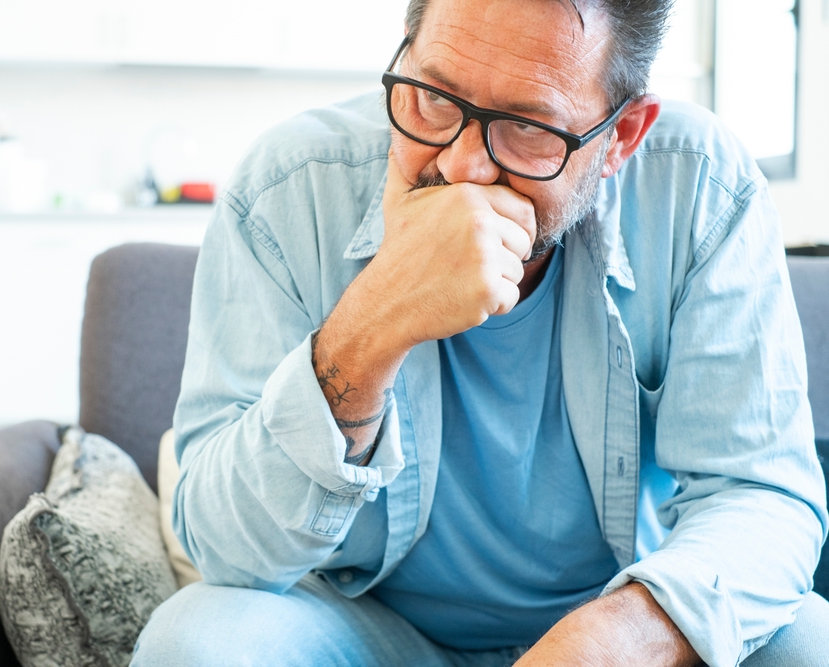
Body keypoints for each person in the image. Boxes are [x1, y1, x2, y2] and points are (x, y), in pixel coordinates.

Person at [132, 0, 829, 665]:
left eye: (528, 127)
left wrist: (612, 642)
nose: (463, 167)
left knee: (809, 642)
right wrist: (373, 321)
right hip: (363, 626)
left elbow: (760, 498)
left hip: (612, 616)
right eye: (436, 97)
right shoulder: (287, 187)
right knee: (192, 646)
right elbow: (223, 548)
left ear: (621, 137)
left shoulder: (701, 186)